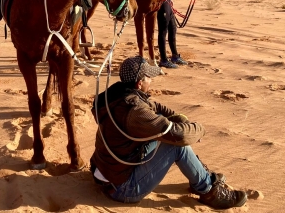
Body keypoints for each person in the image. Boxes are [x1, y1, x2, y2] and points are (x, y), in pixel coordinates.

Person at [90, 56, 247, 210]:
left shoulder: (117, 95)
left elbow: (154, 106)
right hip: (122, 188)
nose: (151, 81)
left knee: (161, 125)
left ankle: (200, 175)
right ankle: (209, 191)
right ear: (139, 83)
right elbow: (180, 136)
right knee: (176, 145)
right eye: (149, 78)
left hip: (105, 172)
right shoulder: (135, 112)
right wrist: (199, 129)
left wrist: (179, 118)